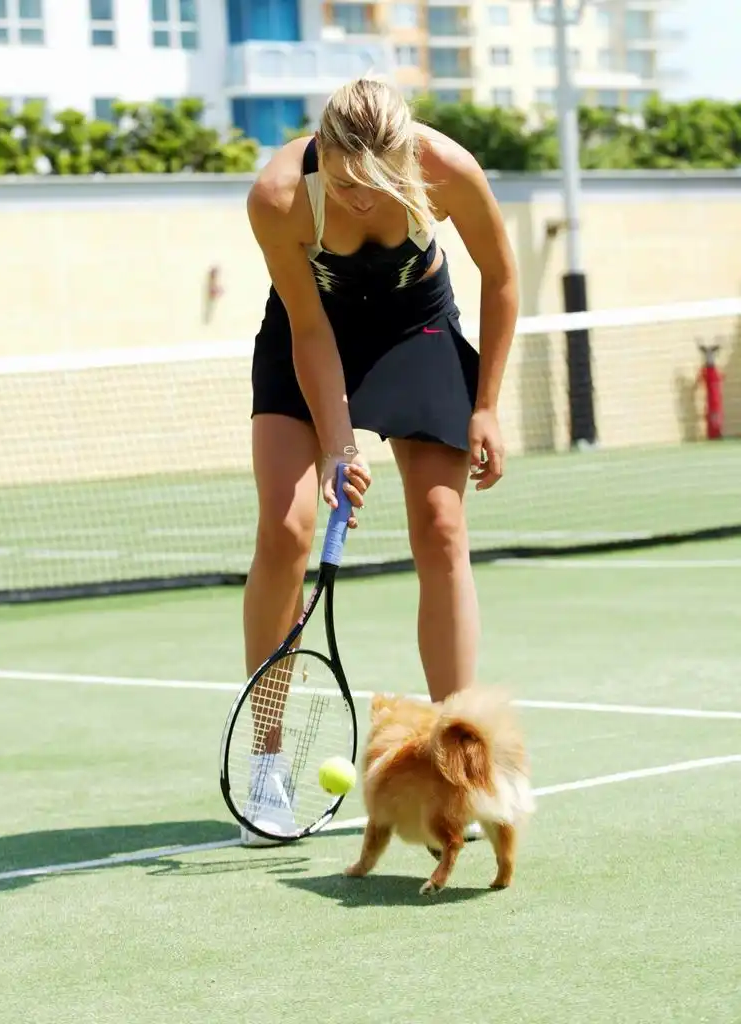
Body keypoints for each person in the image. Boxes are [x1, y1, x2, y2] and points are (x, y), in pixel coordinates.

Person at [241, 77, 519, 845]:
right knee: (286, 530)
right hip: (310, 334)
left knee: (441, 526)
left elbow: (500, 276)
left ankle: (461, 764)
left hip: (415, 330)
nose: (361, 200)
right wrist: (339, 444)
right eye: (344, 184)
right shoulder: (277, 198)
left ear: (407, 158)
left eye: (378, 184)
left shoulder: (448, 168)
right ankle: (266, 762)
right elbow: (308, 331)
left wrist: (487, 403)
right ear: (320, 155)